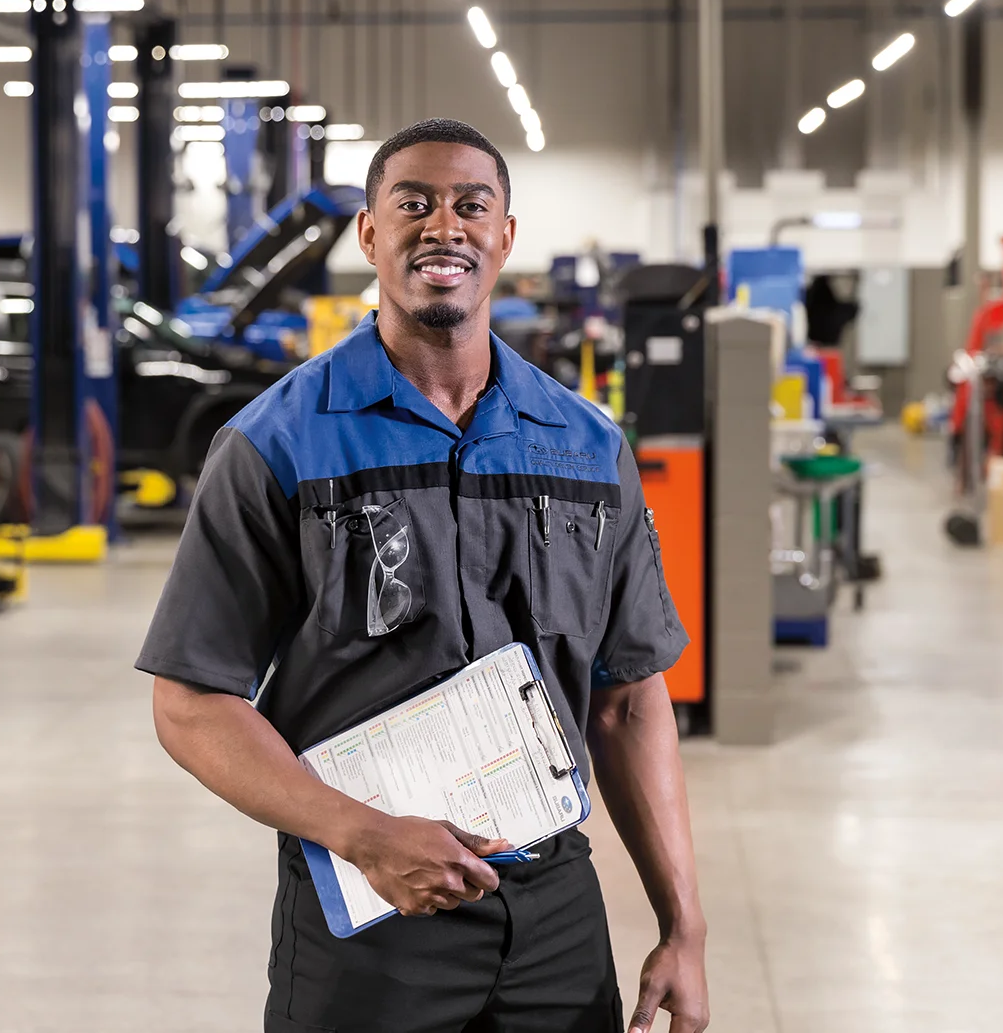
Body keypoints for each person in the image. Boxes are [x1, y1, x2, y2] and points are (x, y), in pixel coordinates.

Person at [136, 118, 709, 1033]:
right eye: (413, 204)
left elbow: (629, 699)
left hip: (554, 914)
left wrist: (683, 924)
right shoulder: (277, 442)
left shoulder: (587, 445)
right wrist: (360, 833)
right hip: (371, 918)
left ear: (506, 236)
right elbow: (191, 701)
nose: (443, 226)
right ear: (369, 235)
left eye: (470, 205)